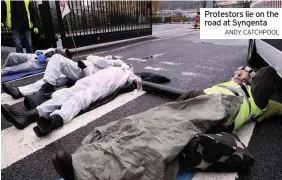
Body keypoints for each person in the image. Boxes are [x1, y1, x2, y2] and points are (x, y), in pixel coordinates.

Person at [51, 66, 282, 180]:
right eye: (239, 72)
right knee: (135, 123)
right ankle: (81, 161)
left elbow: (269, 77)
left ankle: (97, 175)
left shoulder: (257, 99)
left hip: (219, 109)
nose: (240, 75)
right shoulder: (218, 85)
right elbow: (189, 97)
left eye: (246, 75)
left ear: (253, 81)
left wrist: (255, 79)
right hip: (195, 105)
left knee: (162, 137)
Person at [2, 66, 137, 132]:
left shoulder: (128, 73)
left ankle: (56, 119)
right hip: (93, 78)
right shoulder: (114, 65)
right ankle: (30, 115)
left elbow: (137, 83)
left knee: (82, 98)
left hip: (107, 84)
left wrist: (131, 84)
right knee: (65, 93)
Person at [2, 54, 130, 99]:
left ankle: (49, 86)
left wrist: (89, 62)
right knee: (51, 76)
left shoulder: (110, 65)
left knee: (57, 58)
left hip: (81, 72)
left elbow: (93, 71)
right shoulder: (113, 70)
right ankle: (20, 91)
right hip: (79, 73)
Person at [1, 48, 72, 77]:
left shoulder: (60, 59)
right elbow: (38, 51)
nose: (61, 49)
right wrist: (39, 53)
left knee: (13, 69)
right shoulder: (52, 49)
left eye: (64, 51)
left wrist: (46, 60)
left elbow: (51, 65)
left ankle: (2, 71)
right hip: (31, 56)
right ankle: (3, 68)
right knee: (12, 55)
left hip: (35, 64)